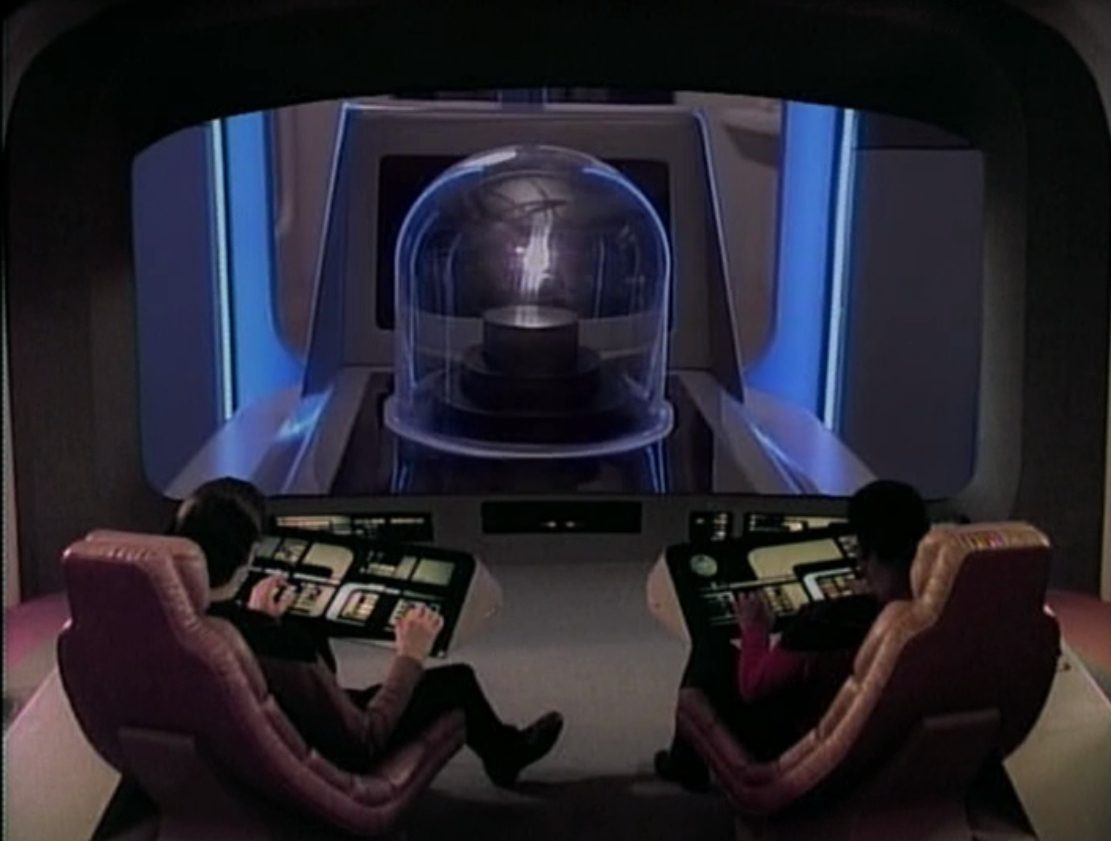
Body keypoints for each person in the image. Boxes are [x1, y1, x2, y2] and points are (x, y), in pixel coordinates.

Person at [170, 478, 564, 787]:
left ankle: (504, 753)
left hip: (251, 745)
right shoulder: (278, 645)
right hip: (329, 751)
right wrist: (410, 655)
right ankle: (506, 757)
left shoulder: (172, 615)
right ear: (250, 555)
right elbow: (365, 740)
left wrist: (262, 617)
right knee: (457, 682)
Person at [655, 479, 931, 791]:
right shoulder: (935, 608)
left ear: (867, 552)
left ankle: (684, 765)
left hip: (802, 747)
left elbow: (753, 687)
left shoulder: (824, 622)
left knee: (710, 651)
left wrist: (754, 628)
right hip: (885, 744)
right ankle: (683, 763)